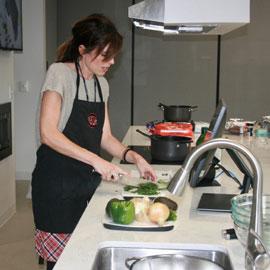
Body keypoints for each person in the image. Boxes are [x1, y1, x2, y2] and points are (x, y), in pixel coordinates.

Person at [31, 14, 157, 270]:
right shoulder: (59, 74)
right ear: (82, 50)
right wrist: (97, 161)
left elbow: (104, 137)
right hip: (57, 187)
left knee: (87, 257)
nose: (111, 62)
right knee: (62, 264)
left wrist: (135, 157)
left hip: (87, 183)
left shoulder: (101, 85)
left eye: (114, 56)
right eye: (105, 56)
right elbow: (48, 133)